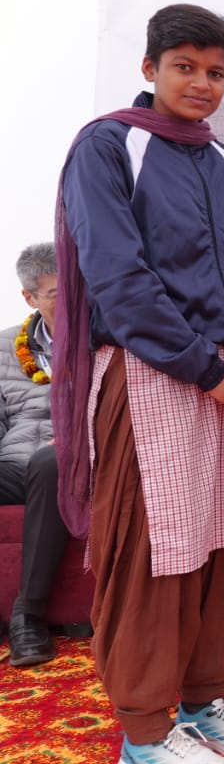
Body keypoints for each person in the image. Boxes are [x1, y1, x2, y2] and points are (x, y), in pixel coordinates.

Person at [54, 3, 224, 764]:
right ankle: (144, 733)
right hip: (155, 372)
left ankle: (203, 696)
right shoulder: (108, 144)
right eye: (184, 66)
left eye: (215, 71)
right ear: (150, 68)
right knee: (157, 550)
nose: (201, 83)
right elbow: (119, 278)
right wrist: (211, 371)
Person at [4, 243, 61, 666]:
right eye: (58, 294)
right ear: (30, 298)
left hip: (74, 461)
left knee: (51, 461)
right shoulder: (6, 347)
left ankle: (29, 615)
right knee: (36, 460)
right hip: (15, 464)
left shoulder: (106, 340)